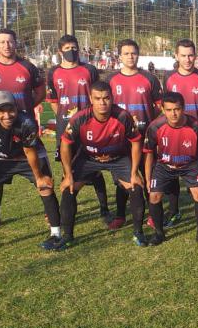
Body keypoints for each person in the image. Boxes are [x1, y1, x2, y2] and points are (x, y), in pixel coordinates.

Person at [56, 81, 149, 249]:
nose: (102, 102)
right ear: (91, 99)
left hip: (118, 157)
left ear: (112, 98)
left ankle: (138, 233)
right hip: (89, 158)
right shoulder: (80, 118)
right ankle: (68, 236)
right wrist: (68, 174)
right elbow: (65, 144)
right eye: (98, 98)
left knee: (136, 187)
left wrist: (134, 172)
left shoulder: (122, 116)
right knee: (68, 188)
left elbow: (136, 142)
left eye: (106, 98)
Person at [0, 91, 60, 256]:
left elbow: (30, 152)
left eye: (11, 110)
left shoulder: (27, 123)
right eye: (1, 111)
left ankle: (56, 235)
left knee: (45, 187)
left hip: (29, 157)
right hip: (2, 158)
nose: (7, 115)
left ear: (17, 109)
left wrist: (38, 177)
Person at [0, 28, 46, 228]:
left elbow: (41, 92)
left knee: (37, 167)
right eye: (2, 42)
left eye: (10, 42)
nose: (7, 45)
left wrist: (26, 111)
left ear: (16, 43)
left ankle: (49, 211)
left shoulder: (28, 67)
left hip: (25, 128)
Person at [46, 35, 112, 226]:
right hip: (65, 129)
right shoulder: (53, 72)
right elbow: (53, 102)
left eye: (74, 47)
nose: (71, 50)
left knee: (95, 168)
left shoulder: (88, 70)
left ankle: (104, 208)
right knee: (67, 167)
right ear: (60, 51)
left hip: (89, 127)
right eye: (67, 47)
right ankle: (65, 206)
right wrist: (66, 119)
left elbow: (97, 95)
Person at [105, 39, 163, 230]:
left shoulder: (150, 79)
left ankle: (153, 215)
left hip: (145, 136)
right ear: (119, 56)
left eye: (133, 53)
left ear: (138, 55)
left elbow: (157, 105)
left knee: (149, 176)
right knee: (123, 178)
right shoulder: (111, 80)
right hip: (120, 138)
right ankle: (121, 215)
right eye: (126, 53)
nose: (130, 56)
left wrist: (146, 121)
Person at [144, 92, 198, 246]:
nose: (173, 113)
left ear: (183, 108)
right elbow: (148, 153)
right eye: (168, 110)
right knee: (154, 196)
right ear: (162, 109)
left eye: (177, 109)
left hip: (190, 165)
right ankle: (159, 233)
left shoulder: (196, 127)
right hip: (164, 165)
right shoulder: (155, 127)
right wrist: (148, 178)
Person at [163, 39, 198, 228]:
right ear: (176, 56)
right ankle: (174, 211)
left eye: (191, 55)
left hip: (197, 134)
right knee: (171, 172)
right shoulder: (168, 77)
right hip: (174, 133)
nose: (187, 59)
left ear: (196, 55)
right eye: (183, 55)